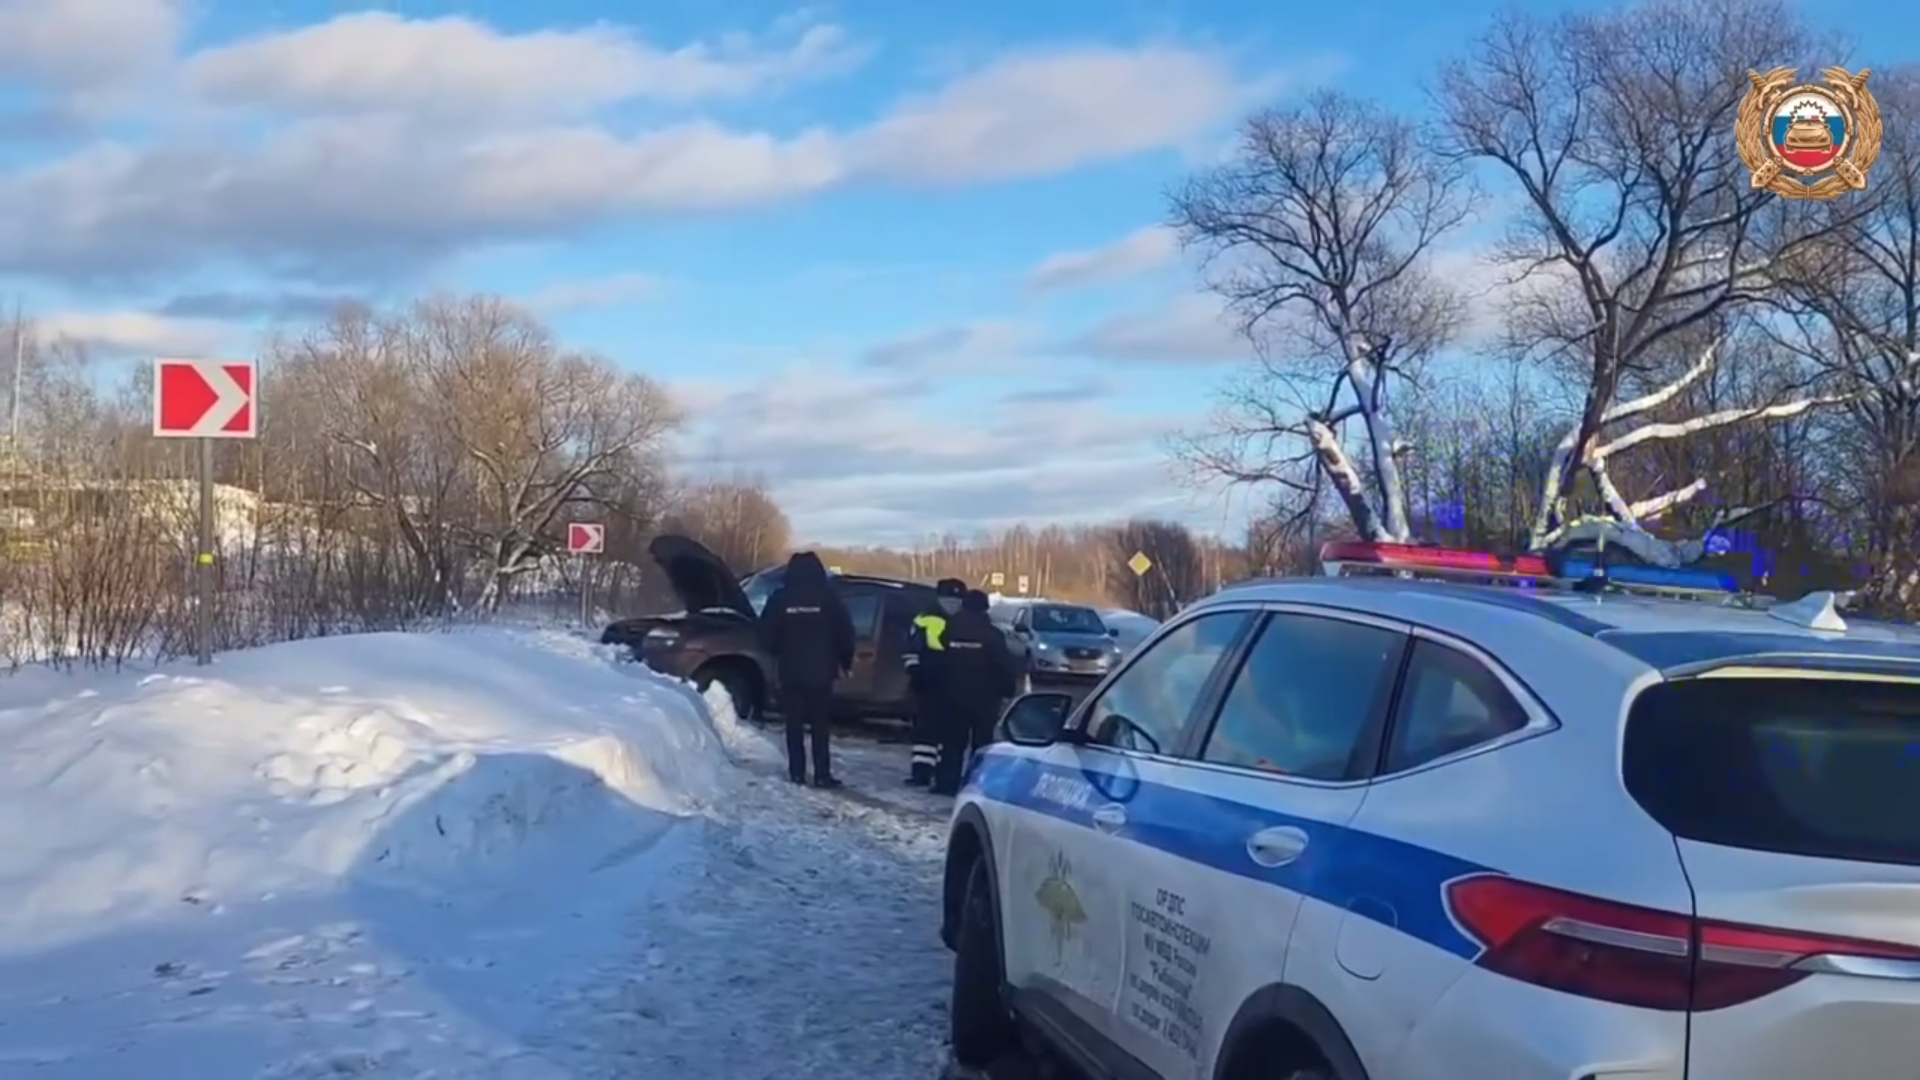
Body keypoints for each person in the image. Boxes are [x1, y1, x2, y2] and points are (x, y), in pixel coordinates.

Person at [757, 551, 856, 788]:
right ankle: (822, 774)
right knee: (820, 726)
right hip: (822, 672)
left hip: (790, 671)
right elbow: (846, 632)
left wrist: (777, 651)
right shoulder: (829, 598)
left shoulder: (780, 598)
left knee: (794, 724)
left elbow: (766, 635)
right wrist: (846, 661)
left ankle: (797, 773)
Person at [929, 589, 1018, 796]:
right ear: (985, 608)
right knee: (982, 745)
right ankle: (977, 783)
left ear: (963, 606)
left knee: (951, 743)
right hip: (985, 700)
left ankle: (946, 784)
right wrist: (1008, 689)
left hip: (952, 699)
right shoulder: (993, 635)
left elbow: (937, 661)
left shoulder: (948, 631)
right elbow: (1003, 666)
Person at [904, 578, 966, 787]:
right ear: (939, 599)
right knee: (926, 732)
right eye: (949, 599)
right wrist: (917, 674)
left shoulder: (962, 620)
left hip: (949, 683)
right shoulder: (925, 619)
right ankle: (922, 773)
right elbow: (912, 651)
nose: (952, 604)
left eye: (956, 600)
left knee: (943, 733)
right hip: (931, 683)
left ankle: (938, 775)